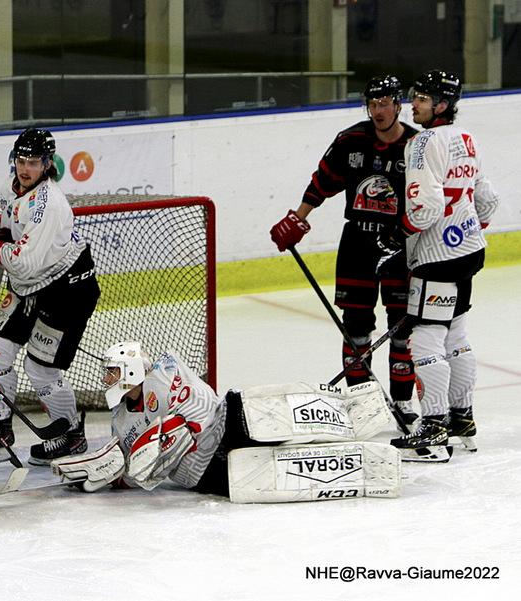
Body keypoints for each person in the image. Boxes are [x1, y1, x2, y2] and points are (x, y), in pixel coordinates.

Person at [51, 342, 402, 502]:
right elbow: (135, 473)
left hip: (229, 426)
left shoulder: (165, 370)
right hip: (207, 475)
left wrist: (171, 436)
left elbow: (201, 415)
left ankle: (355, 415)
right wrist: (105, 475)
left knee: (265, 415)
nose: (108, 379)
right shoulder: (119, 422)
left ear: (131, 369)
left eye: (113, 372)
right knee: (283, 468)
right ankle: (363, 468)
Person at [269, 75, 419, 425]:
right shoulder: (351, 140)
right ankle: (360, 403)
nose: (378, 111)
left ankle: (403, 403)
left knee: (402, 329)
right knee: (355, 327)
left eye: (385, 104)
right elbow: (322, 182)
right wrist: (298, 220)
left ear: (398, 105)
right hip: (358, 244)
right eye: (372, 104)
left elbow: (427, 199)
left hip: (400, 246)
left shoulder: (417, 146)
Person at [0, 128, 100, 467]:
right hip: (28, 287)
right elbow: (15, 236)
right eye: (21, 160)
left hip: (67, 290)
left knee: (39, 369)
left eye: (33, 162)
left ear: (47, 164)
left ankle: (70, 434)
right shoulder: (8, 190)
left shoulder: (49, 205)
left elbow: (22, 261)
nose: (25, 169)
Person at [380, 70, 499, 454]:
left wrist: (398, 234)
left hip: (436, 258)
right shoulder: (465, 137)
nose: (413, 103)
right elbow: (487, 201)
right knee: (457, 336)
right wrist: (464, 230)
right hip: (469, 249)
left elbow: (426, 206)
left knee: (426, 340)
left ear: (442, 105)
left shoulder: (422, 142)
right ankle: (462, 415)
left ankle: (433, 426)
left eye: (421, 98)